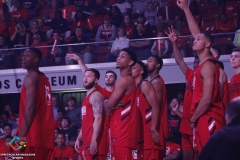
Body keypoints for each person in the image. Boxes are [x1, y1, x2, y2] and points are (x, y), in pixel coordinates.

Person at [177, 0, 225, 153]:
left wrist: (193, 118)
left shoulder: (211, 65)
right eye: (195, 39)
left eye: (198, 40)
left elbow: (207, 99)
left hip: (209, 116)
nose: (194, 40)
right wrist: (185, 9)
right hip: (201, 117)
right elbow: (197, 33)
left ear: (208, 46)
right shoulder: (201, 66)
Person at [165, 26, 199, 160]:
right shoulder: (190, 75)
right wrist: (174, 42)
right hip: (186, 124)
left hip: (198, 122)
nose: (196, 64)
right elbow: (179, 61)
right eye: (195, 62)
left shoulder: (208, 76)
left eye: (198, 62)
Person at [17, 48, 55, 160]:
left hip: (32, 136)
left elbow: (30, 108)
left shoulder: (30, 78)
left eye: (27, 56)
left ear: (36, 59)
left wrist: (19, 138)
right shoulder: (44, 78)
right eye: (23, 55)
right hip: (45, 138)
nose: (23, 58)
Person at [104, 48, 137, 160]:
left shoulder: (124, 80)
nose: (118, 58)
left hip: (123, 130)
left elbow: (108, 105)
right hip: (122, 128)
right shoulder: (127, 79)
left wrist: (105, 102)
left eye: (123, 56)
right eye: (118, 56)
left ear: (130, 62)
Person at [75, 68, 107, 160]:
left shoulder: (96, 96)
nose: (85, 78)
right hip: (87, 141)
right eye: (84, 76)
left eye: (89, 76)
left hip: (95, 143)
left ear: (96, 80)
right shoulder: (86, 98)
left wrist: (94, 140)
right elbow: (85, 122)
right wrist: (79, 138)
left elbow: (98, 119)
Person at [131, 60, 161, 160]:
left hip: (149, 131)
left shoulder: (145, 85)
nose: (131, 69)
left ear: (141, 71)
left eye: (134, 67)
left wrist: (153, 128)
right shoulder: (132, 88)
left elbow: (155, 106)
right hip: (139, 134)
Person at [146, 55, 169, 159]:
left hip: (155, 126)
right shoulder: (152, 81)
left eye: (150, 61)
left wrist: (153, 128)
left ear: (157, 65)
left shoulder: (156, 82)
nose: (147, 63)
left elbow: (156, 106)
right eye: (147, 61)